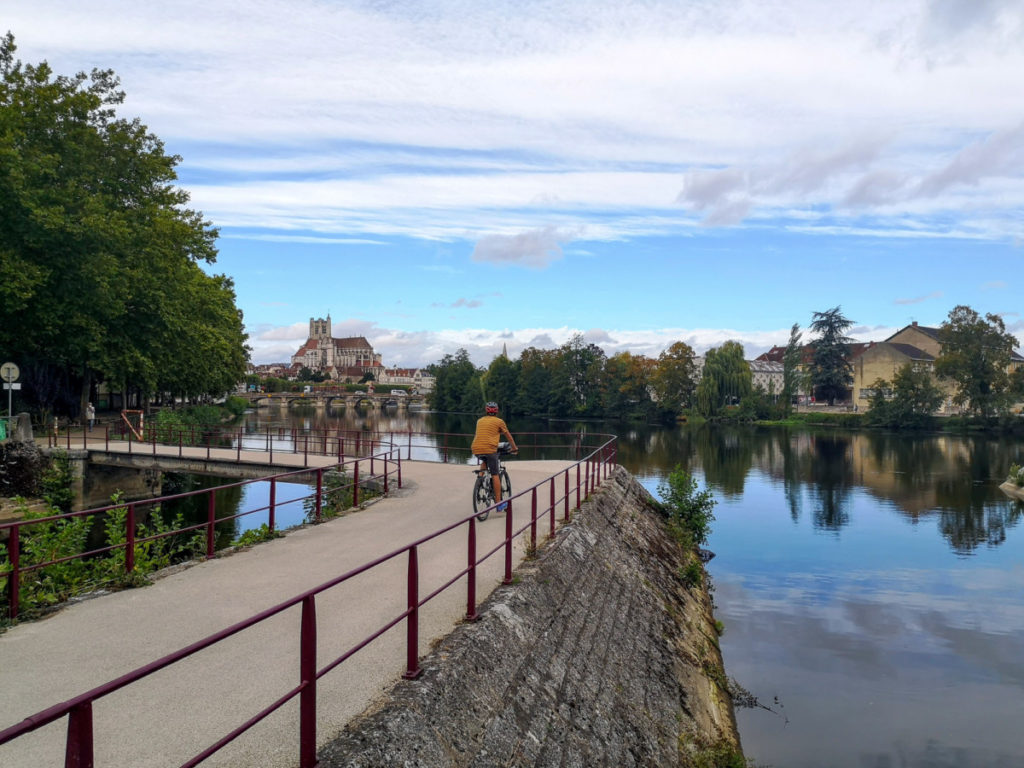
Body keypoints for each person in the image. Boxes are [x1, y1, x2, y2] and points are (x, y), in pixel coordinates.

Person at [471, 401, 518, 510]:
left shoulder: (479, 421)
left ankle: (481, 480)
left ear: (486, 410)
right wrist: (514, 448)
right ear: (497, 411)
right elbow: (508, 436)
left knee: (484, 460)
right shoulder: (499, 421)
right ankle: (498, 504)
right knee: (495, 474)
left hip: (476, 449)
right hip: (490, 449)